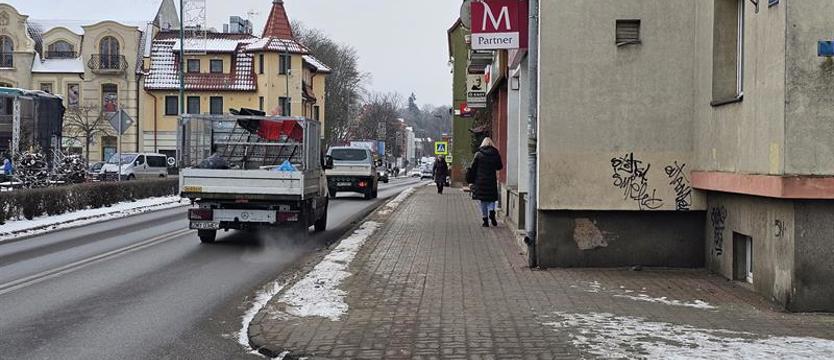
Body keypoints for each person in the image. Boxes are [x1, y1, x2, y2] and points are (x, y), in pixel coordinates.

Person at [469, 137, 503, 227]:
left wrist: (471, 180)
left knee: (483, 200)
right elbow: (499, 166)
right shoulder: (495, 153)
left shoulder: (478, 154)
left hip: (481, 181)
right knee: (491, 198)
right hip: (491, 180)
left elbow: (473, 168)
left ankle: (485, 220)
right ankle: (492, 212)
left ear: (482, 144)